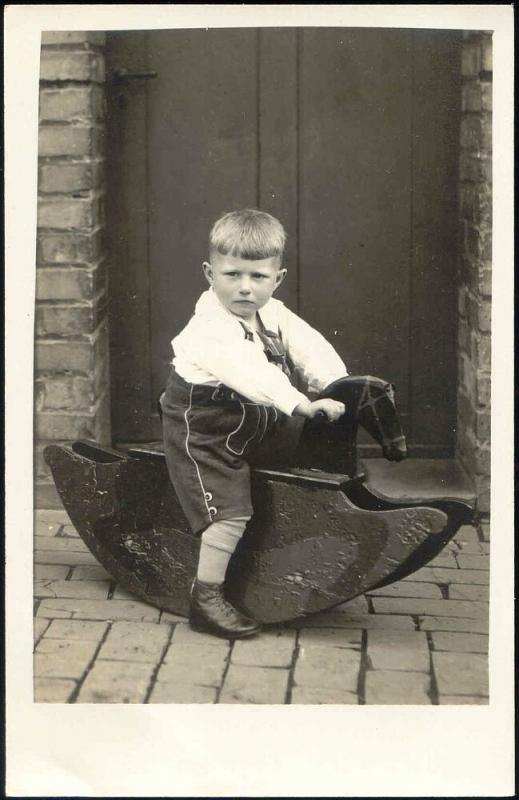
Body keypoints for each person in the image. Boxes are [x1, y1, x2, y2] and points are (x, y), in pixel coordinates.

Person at [160, 209, 348, 638]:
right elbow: (252, 374)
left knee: (303, 459)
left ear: (276, 278)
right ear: (210, 273)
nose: (245, 287)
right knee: (229, 514)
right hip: (206, 433)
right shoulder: (210, 325)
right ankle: (206, 597)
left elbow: (310, 347)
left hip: (255, 424)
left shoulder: (274, 314)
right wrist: (302, 404)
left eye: (258, 277)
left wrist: (336, 385)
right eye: (232, 274)